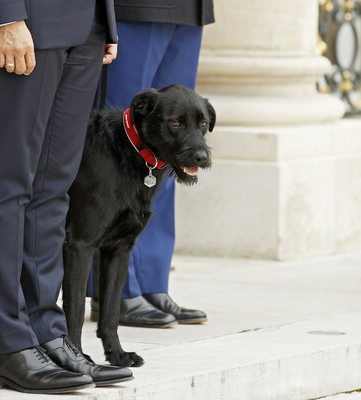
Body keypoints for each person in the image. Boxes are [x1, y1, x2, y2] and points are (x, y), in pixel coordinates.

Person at [0, 0, 133, 394]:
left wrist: (104, 21)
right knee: (6, 185)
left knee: (53, 188)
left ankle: (46, 333)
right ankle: (6, 347)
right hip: (27, 17)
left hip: (86, 23)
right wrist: (2, 14)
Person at [89, 0, 215, 328]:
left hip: (190, 9)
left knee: (176, 148)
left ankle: (152, 281)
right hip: (135, 7)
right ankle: (117, 288)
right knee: (123, 145)